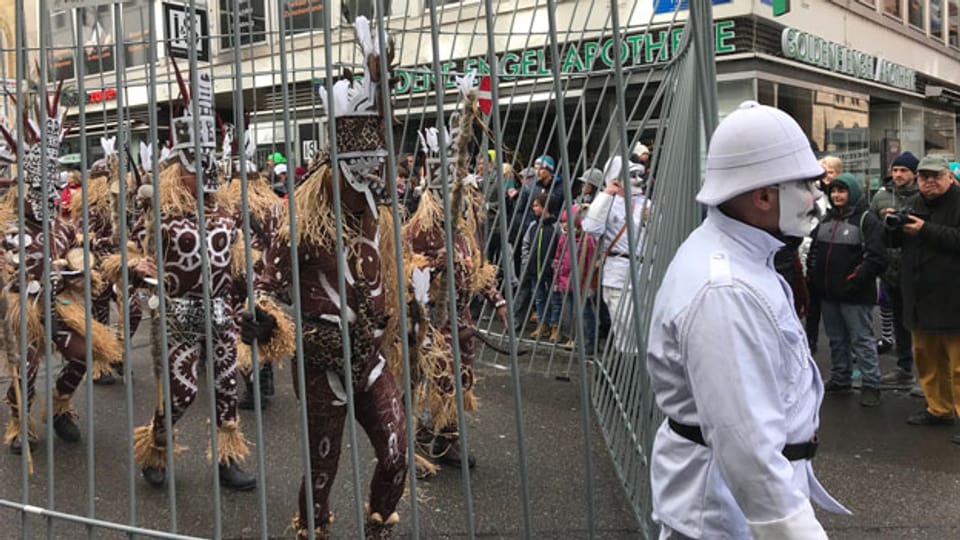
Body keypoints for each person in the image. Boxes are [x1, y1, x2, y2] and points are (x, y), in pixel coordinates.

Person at [646, 101, 848, 538]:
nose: (816, 197)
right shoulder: (727, 289)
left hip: (730, 506)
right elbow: (745, 444)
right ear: (762, 196)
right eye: (806, 184)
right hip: (727, 514)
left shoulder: (742, 257)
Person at [241, 17, 407, 538]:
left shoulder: (379, 216)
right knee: (321, 474)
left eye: (380, 158)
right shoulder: (302, 219)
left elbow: (384, 279)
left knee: (398, 452)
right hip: (321, 361)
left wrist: (408, 309)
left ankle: (378, 524)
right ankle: (313, 530)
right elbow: (266, 285)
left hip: (372, 355)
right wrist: (265, 319)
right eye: (366, 158)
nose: (377, 170)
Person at [129, 65, 257, 491]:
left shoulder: (226, 212)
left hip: (221, 316)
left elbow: (238, 264)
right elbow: (131, 253)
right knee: (182, 393)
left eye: (208, 163)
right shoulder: (161, 216)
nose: (203, 173)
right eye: (193, 164)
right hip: (180, 316)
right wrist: (137, 268)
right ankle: (158, 447)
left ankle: (227, 458)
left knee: (225, 390)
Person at [0, 91, 122, 455]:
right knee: (27, 370)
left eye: (53, 189)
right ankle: (20, 423)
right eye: (41, 188)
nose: (49, 196)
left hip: (60, 306)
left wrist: (78, 272)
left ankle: (59, 406)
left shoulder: (63, 228)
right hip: (23, 310)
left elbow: (80, 258)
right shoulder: (6, 227)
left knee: (85, 354)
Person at [881, 155, 960, 440]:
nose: (929, 182)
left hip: (953, 297)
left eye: (935, 176)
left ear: (949, 177)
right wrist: (892, 228)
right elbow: (896, 244)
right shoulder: (914, 203)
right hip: (920, 296)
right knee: (926, 358)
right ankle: (938, 409)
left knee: (958, 364)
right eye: (924, 177)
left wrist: (925, 230)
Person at [806, 173, 886, 406]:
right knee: (836, 339)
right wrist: (813, 274)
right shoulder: (826, 219)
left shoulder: (866, 221)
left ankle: (871, 384)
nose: (837, 195)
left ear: (852, 192)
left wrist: (854, 280)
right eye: (834, 191)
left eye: (842, 191)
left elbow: (876, 258)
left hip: (854, 295)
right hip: (828, 293)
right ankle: (841, 378)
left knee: (862, 339)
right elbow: (814, 251)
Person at [581, 155, 649, 352]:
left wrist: (651, 221)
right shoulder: (606, 203)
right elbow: (591, 227)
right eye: (632, 175)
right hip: (619, 274)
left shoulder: (646, 203)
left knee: (645, 329)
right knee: (627, 329)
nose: (638, 180)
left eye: (639, 175)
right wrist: (606, 193)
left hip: (646, 274)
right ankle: (628, 370)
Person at [870, 151, 919, 387]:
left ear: (914, 174)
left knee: (923, 323)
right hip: (890, 268)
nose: (898, 175)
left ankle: (933, 376)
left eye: (904, 171)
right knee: (899, 320)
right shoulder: (881, 197)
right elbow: (870, 228)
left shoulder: (923, 196)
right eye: (895, 170)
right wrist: (882, 220)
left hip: (918, 269)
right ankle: (904, 367)